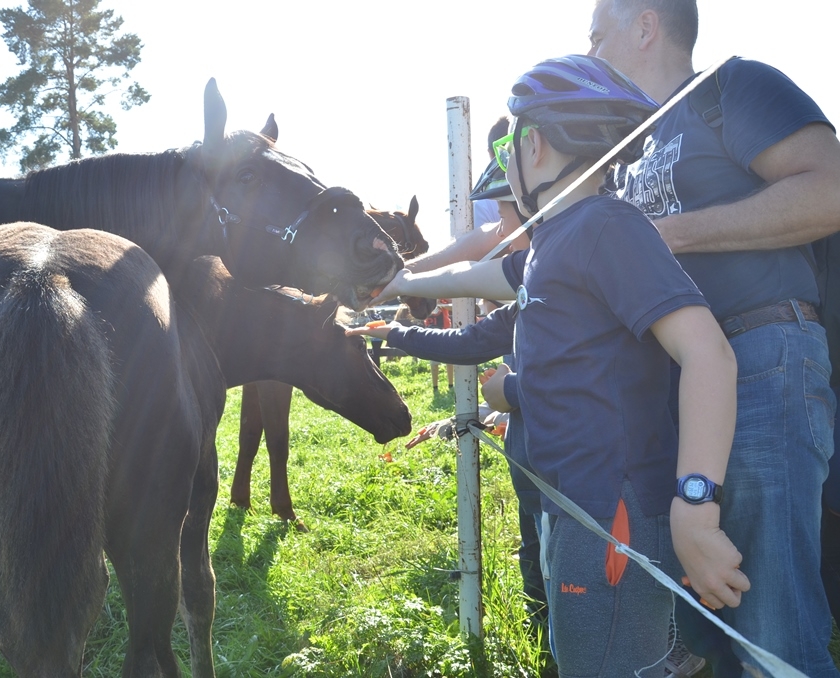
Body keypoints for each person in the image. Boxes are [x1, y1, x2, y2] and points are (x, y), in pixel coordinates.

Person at [352, 55, 749, 677]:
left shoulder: (606, 227)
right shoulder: (553, 243)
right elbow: (475, 275)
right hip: (578, 505)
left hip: (610, 510)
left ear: (532, 144)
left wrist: (695, 509)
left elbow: (708, 352)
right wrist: (399, 289)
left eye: (508, 141)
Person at [588, 2, 840, 675]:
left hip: (762, 361)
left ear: (644, 24)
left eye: (595, 36)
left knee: (773, 632)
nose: (588, 55)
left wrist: (669, 236)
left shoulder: (734, 87)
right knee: (713, 624)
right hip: (681, 392)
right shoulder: (627, 151)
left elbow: (831, 189)